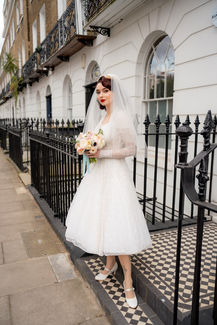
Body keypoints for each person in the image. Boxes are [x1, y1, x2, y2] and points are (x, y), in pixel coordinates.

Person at [65, 74, 152, 308]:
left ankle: (128, 282)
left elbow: (130, 149)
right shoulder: (103, 118)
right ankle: (109, 264)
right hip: (98, 175)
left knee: (117, 222)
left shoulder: (121, 117)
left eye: (105, 91)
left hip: (115, 175)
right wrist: (87, 148)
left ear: (114, 92)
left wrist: (100, 153)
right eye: (98, 92)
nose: (101, 95)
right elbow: (95, 142)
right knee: (103, 220)